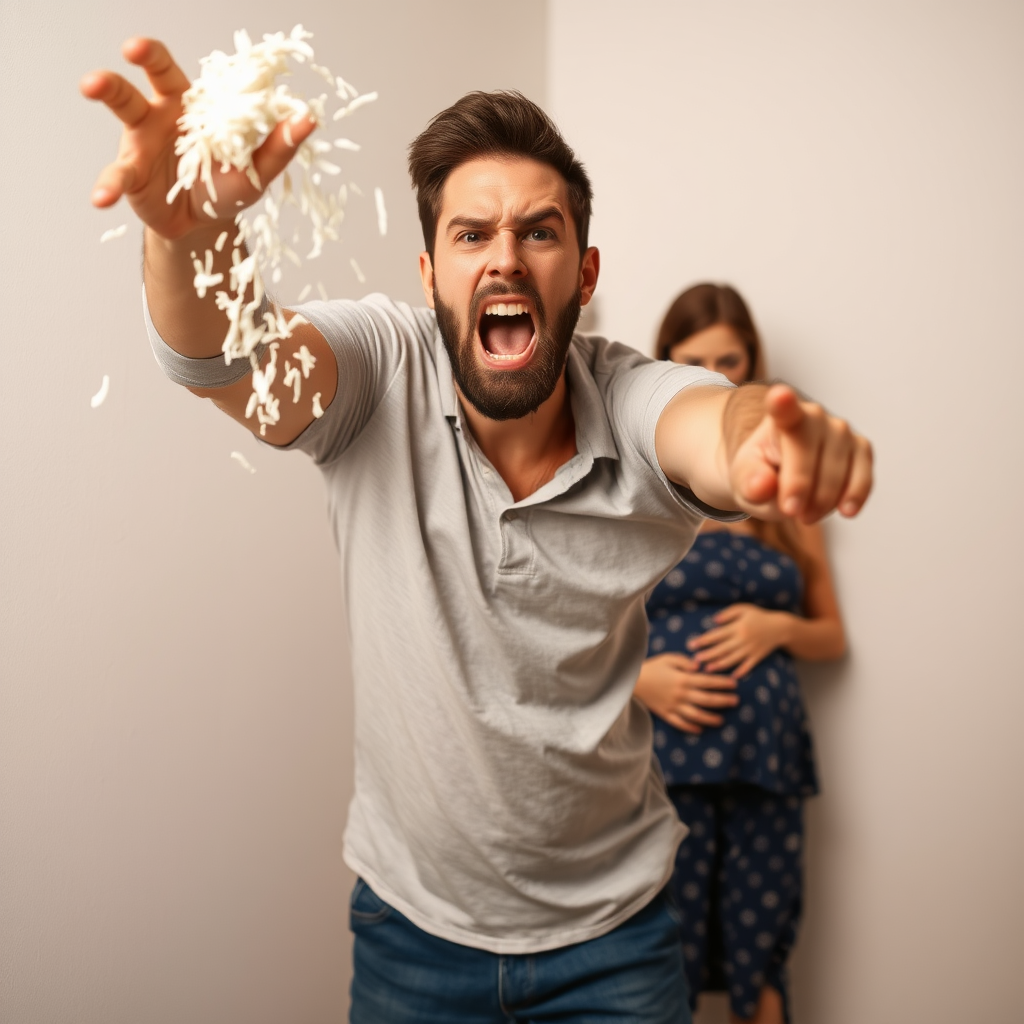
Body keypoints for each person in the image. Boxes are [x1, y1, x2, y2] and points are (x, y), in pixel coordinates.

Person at [80, 39, 872, 1024]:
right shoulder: (379, 368)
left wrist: (767, 436)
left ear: (582, 273)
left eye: (539, 232)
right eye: (472, 234)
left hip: (617, 940)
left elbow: (710, 423)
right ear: (429, 272)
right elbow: (235, 363)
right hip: (411, 934)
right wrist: (185, 239)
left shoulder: (627, 393)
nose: (504, 255)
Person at [634, 283, 846, 1024]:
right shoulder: (639, 490)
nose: (717, 375)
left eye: (731, 358)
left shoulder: (783, 490)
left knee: (761, 965)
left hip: (767, 758)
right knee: (668, 964)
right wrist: (639, 680)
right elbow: (576, 633)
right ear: (666, 366)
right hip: (669, 764)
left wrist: (775, 628)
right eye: (695, 361)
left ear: (753, 361)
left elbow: (833, 635)